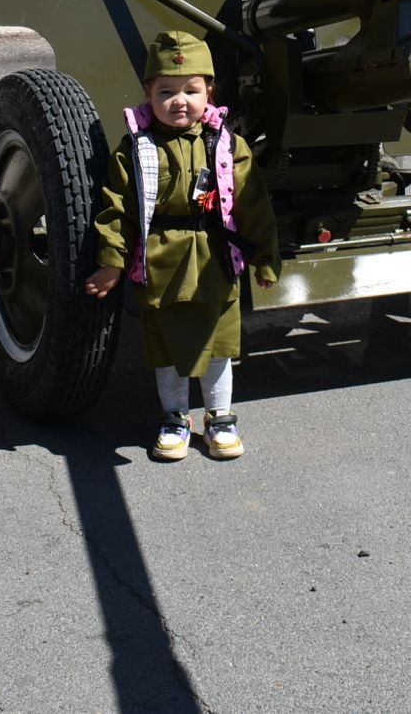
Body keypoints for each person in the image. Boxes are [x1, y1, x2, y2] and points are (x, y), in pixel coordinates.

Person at [83, 32, 280, 462]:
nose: (179, 101)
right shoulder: (136, 149)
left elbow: (252, 204)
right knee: (168, 350)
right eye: (166, 91)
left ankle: (220, 417)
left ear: (209, 91)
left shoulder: (228, 146)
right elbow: (118, 209)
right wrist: (112, 263)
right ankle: (175, 417)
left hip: (215, 264)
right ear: (148, 95)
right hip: (161, 265)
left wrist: (264, 257)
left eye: (191, 90)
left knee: (218, 347)